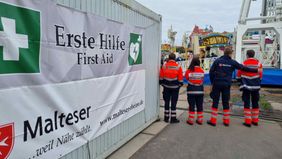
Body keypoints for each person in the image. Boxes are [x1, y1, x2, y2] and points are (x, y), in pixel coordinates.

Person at [207, 47, 258, 127]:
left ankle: (213, 121)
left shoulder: (217, 61)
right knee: (226, 102)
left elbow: (211, 72)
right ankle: (226, 121)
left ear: (224, 53)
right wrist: (255, 70)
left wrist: (212, 82)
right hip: (226, 84)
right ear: (230, 54)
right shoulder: (232, 62)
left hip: (217, 83)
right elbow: (243, 68)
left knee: (215, 101)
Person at [237, 50, 263, 127]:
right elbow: (260, 76)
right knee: (255, 102)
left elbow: (238, 75)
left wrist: (240, 81)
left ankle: (248, 122)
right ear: (254, 55)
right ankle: (255, 121)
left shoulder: (244, 63)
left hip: (246, 86)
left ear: (247, 55)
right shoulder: (259, 64)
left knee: (246, 102)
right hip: (256, 86)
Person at [159, 53, 183, 123]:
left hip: (166, 87)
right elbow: (180, 79)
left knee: (166, 102)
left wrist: (162, 83)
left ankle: (166, 118)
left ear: (169, 58)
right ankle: (173, 118)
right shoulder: (178, 66)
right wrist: (179, 85)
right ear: (175, 58)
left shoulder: (164, 65)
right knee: (173, 103)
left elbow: (161, 76)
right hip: (175, 88)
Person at [185, 56, 205, 125]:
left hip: (191, 91)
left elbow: (187, 78)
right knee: (199, 105)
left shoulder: (189, 71)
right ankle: (200, 120)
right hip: (200, 91)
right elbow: (202, 79)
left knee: (192, 105)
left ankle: (190, 120)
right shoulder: (202, 71)